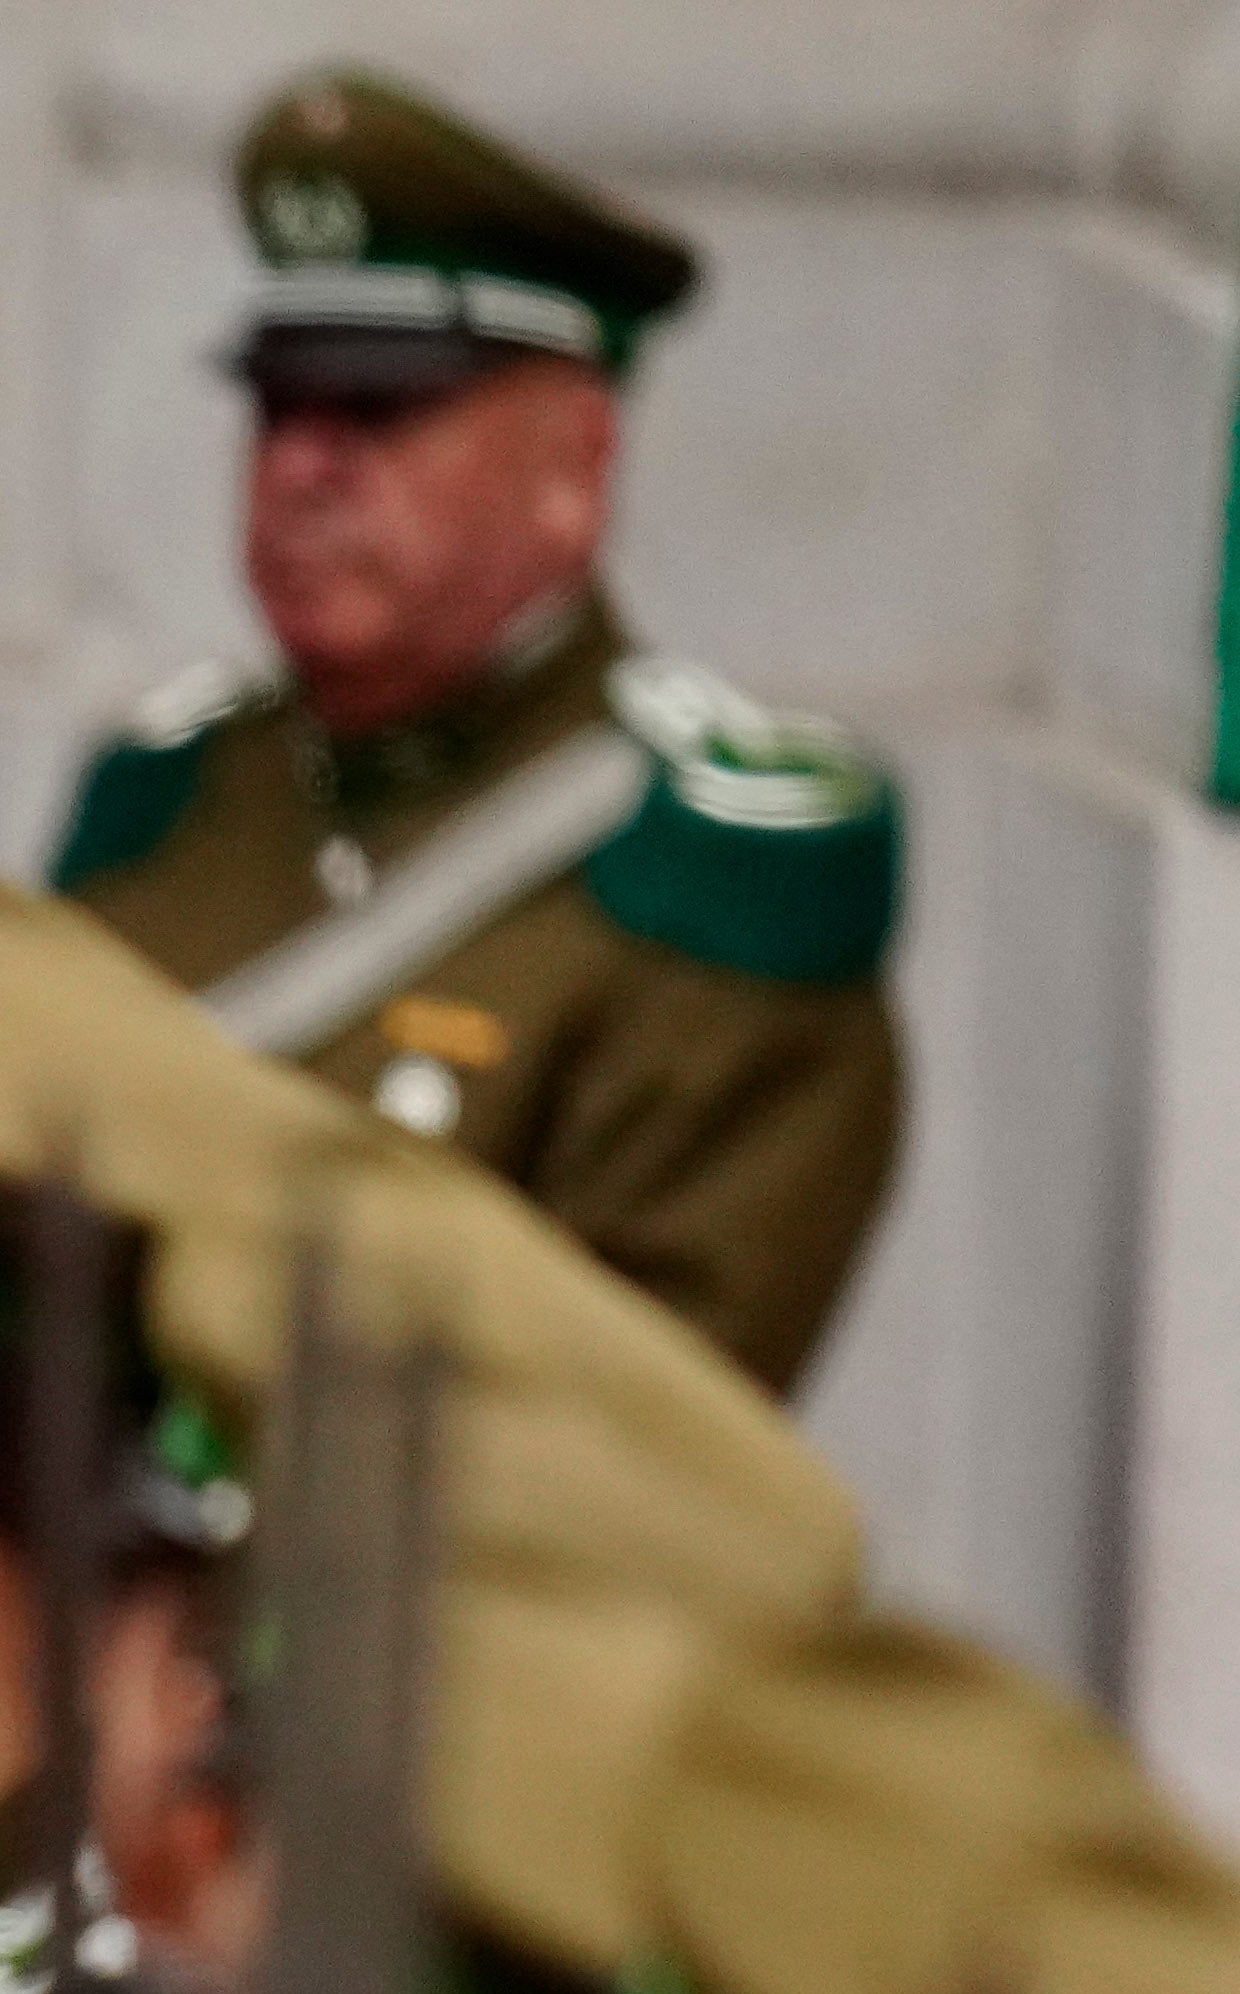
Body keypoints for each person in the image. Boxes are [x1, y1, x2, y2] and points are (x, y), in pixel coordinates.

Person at [54, 67, 903, 1390]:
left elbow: (647, 1424)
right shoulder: (163, 793)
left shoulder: (709, 869)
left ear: (576, 466)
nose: (302, 469)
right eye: (280, 405)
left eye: (380, 410)